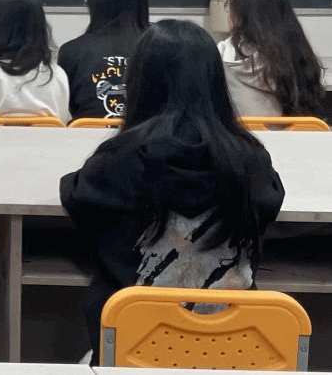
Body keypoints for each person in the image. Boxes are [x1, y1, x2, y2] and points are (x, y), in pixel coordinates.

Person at [60, 20, 285, 363]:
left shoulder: (118, 160)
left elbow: (75, 195)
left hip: (132, 353)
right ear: (215, 82)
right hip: (233, 354)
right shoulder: (249, 160)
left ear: (139, 83)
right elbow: (271, 200)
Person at [218, 0, 325, 118]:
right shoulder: (297, 56)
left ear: (239, 18)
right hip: (295, 132)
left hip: (240, 132)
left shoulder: (220, 55)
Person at [57, 0, 149, 120]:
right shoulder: (161, 47)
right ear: (142, 4)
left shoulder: (71, 51)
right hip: (146, 134)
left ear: (95, 5)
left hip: (87, 134)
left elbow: (70, 106)